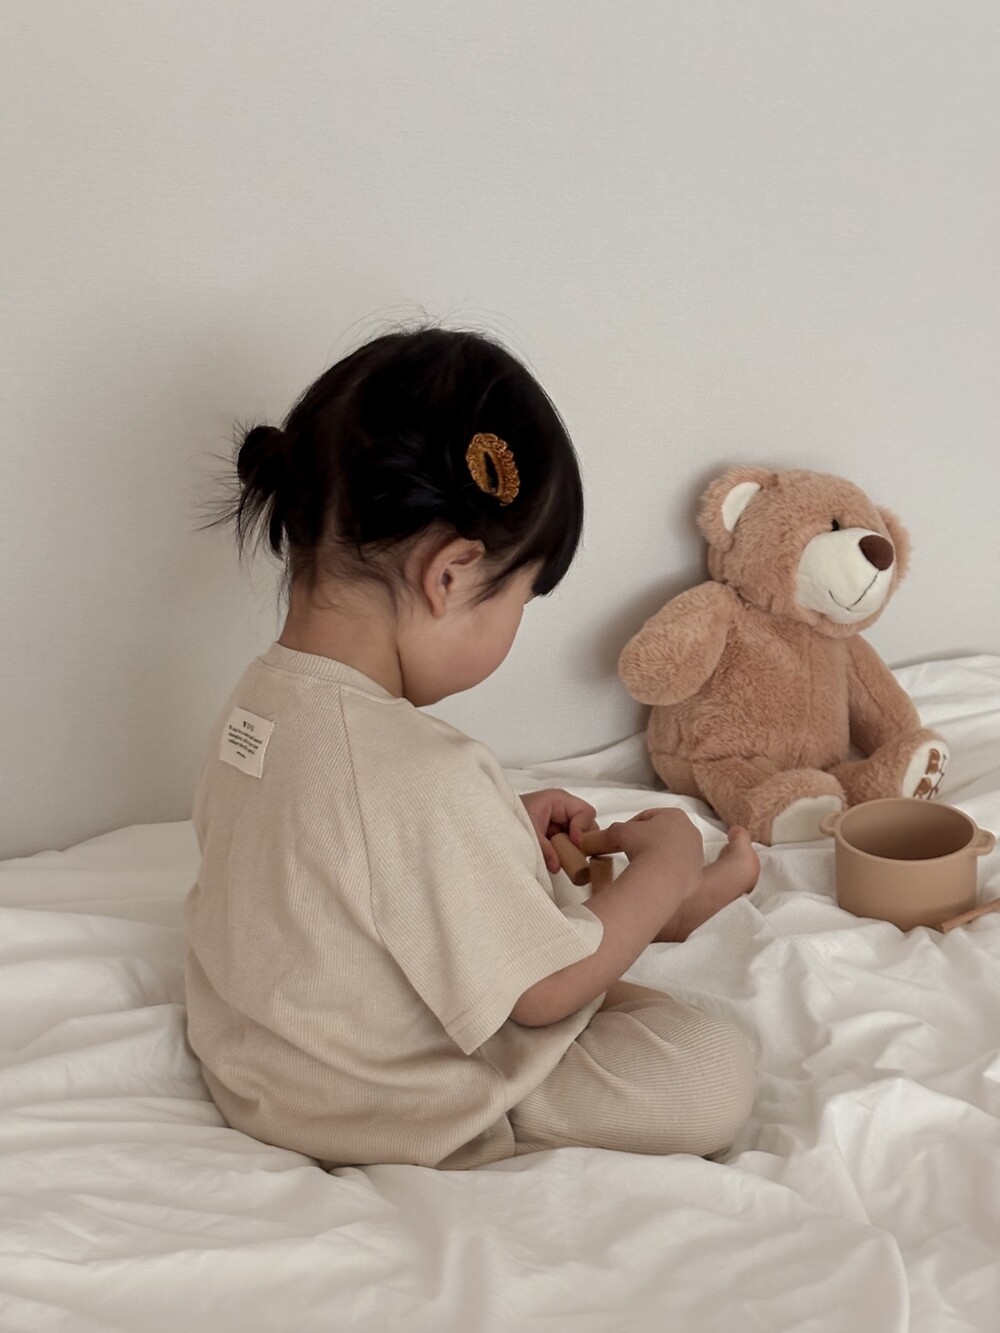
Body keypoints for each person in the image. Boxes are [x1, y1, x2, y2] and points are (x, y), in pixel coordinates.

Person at [184, 327, 758, 1171]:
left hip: (267, 1066)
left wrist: (492, 823)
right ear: (449, 575)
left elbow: (323, 846)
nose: (516, 623)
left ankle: (622, 914)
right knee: (712, 1066)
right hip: (387, 1098)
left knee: (516, 907)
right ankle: (657, 910)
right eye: (520, 596)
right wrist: (669, 864)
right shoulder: (421, 768)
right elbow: (539, 997)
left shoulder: (259, 702)